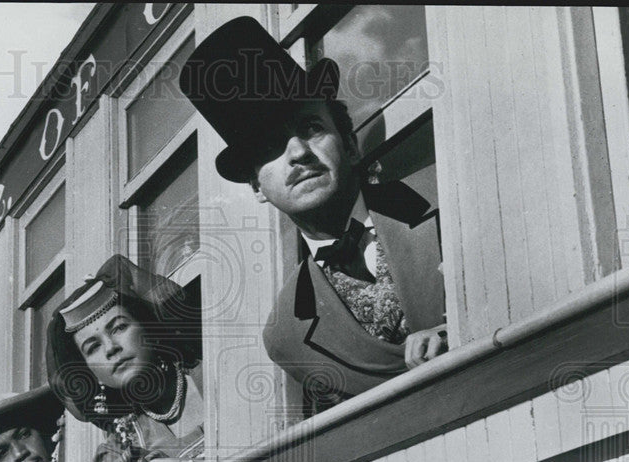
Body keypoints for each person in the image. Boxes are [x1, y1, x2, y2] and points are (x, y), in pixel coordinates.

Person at [180, 16, 447, 408]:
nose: (299, 153)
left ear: (350, 146)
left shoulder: (444, 194)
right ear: (257, 187)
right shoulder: (286, 333)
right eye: (270, 146)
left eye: (310, 128)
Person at [47, 254, 204, 462]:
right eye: (92, 347)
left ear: (147, 328)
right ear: (90, 371)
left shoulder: (210, 374)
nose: (110, 348)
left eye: (118, 327)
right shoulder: (123, 440)